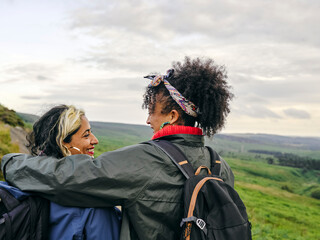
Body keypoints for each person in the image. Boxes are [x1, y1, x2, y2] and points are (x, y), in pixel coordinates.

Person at [2, 57, 234, 240]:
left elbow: (69, 177)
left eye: (152, 110)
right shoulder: (219, 167)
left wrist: (11, 162)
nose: (148, 120)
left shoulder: (146, 159)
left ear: (172, 116)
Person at [1, 105, 121, 240]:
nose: (95, 140)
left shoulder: (27, 179)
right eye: (86, 135)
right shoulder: (92, 201)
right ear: (63, 142)